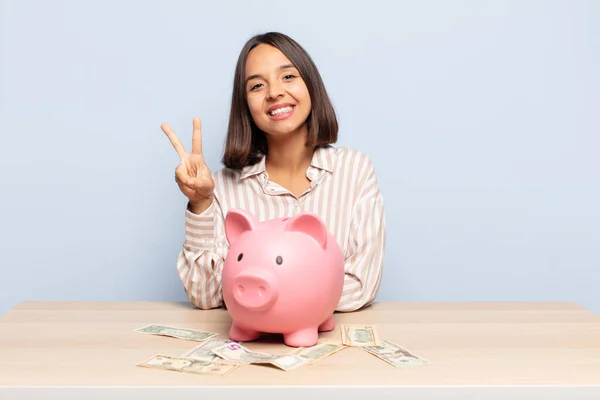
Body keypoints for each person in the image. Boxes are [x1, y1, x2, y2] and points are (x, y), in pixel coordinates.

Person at [161, 32, 386, 312]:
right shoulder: (223, 187)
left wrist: (266, 302)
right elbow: (206, 296)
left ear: (311, 85)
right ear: (245, 105)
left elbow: (361, 286)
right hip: (249, 350)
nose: (275, 92)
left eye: (288, 76)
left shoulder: (355, 172)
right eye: (256, 85)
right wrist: (200, 203)